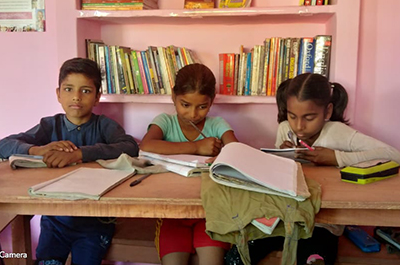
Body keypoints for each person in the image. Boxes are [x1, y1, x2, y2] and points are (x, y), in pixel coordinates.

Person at [226, 73, 400, 265]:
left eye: (309, 117)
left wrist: (337, 157)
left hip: (323, 220)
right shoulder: (285, 128)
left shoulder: (337, 132)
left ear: (327, 112)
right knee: (241, 252)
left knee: (313, 255)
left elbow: (393, 154)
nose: (299, 126)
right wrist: (281, 155)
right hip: (285, 216)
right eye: (292, 116)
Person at [0, 57, 139, 265]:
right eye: (68, 89)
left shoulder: (104, 126)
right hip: (55, 221)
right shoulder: (49, 126)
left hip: (96, 223)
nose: (76, 97)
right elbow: (4, 144)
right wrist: (37, 150)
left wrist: (79, 154)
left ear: (97, 96)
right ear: (58, 94)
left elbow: (130, 146)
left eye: (85, 90)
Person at [140, 63, 239, 265]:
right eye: (185, 104)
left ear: (212, 102)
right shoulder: (165, 122)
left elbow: (237, 153)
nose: (193, 114)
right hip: (172, 213)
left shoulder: (217, 125)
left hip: (210, 213)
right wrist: (196, 147)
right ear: (173, 97)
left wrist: (225, 156)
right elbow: (147, 146)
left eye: (202, 106)